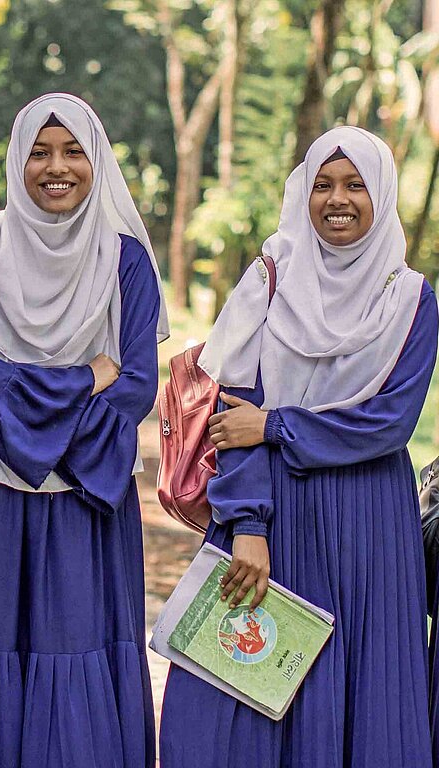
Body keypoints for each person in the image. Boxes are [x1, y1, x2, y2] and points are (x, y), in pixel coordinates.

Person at [159, 126, 437, 767]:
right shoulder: (270, 280)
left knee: (358, 693)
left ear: (382, 195)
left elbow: (388, 424)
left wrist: (277, 426)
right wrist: (247, 526)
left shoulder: (411, 301)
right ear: (302, 194)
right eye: (322, 184)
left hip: (370, 523)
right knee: (234, 692)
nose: (337, 200)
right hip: (274, 517)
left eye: (355, 185)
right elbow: (234, 414)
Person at [0, 93, 169, 768]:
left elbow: (140, 386)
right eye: (39, 151)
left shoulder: (124, 260)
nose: (55, 168)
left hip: (86, 496)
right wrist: (87, 377)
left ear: (97, 160)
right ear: (16, 158)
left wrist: (15, 387)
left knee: (75, 650)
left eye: (73, 151)